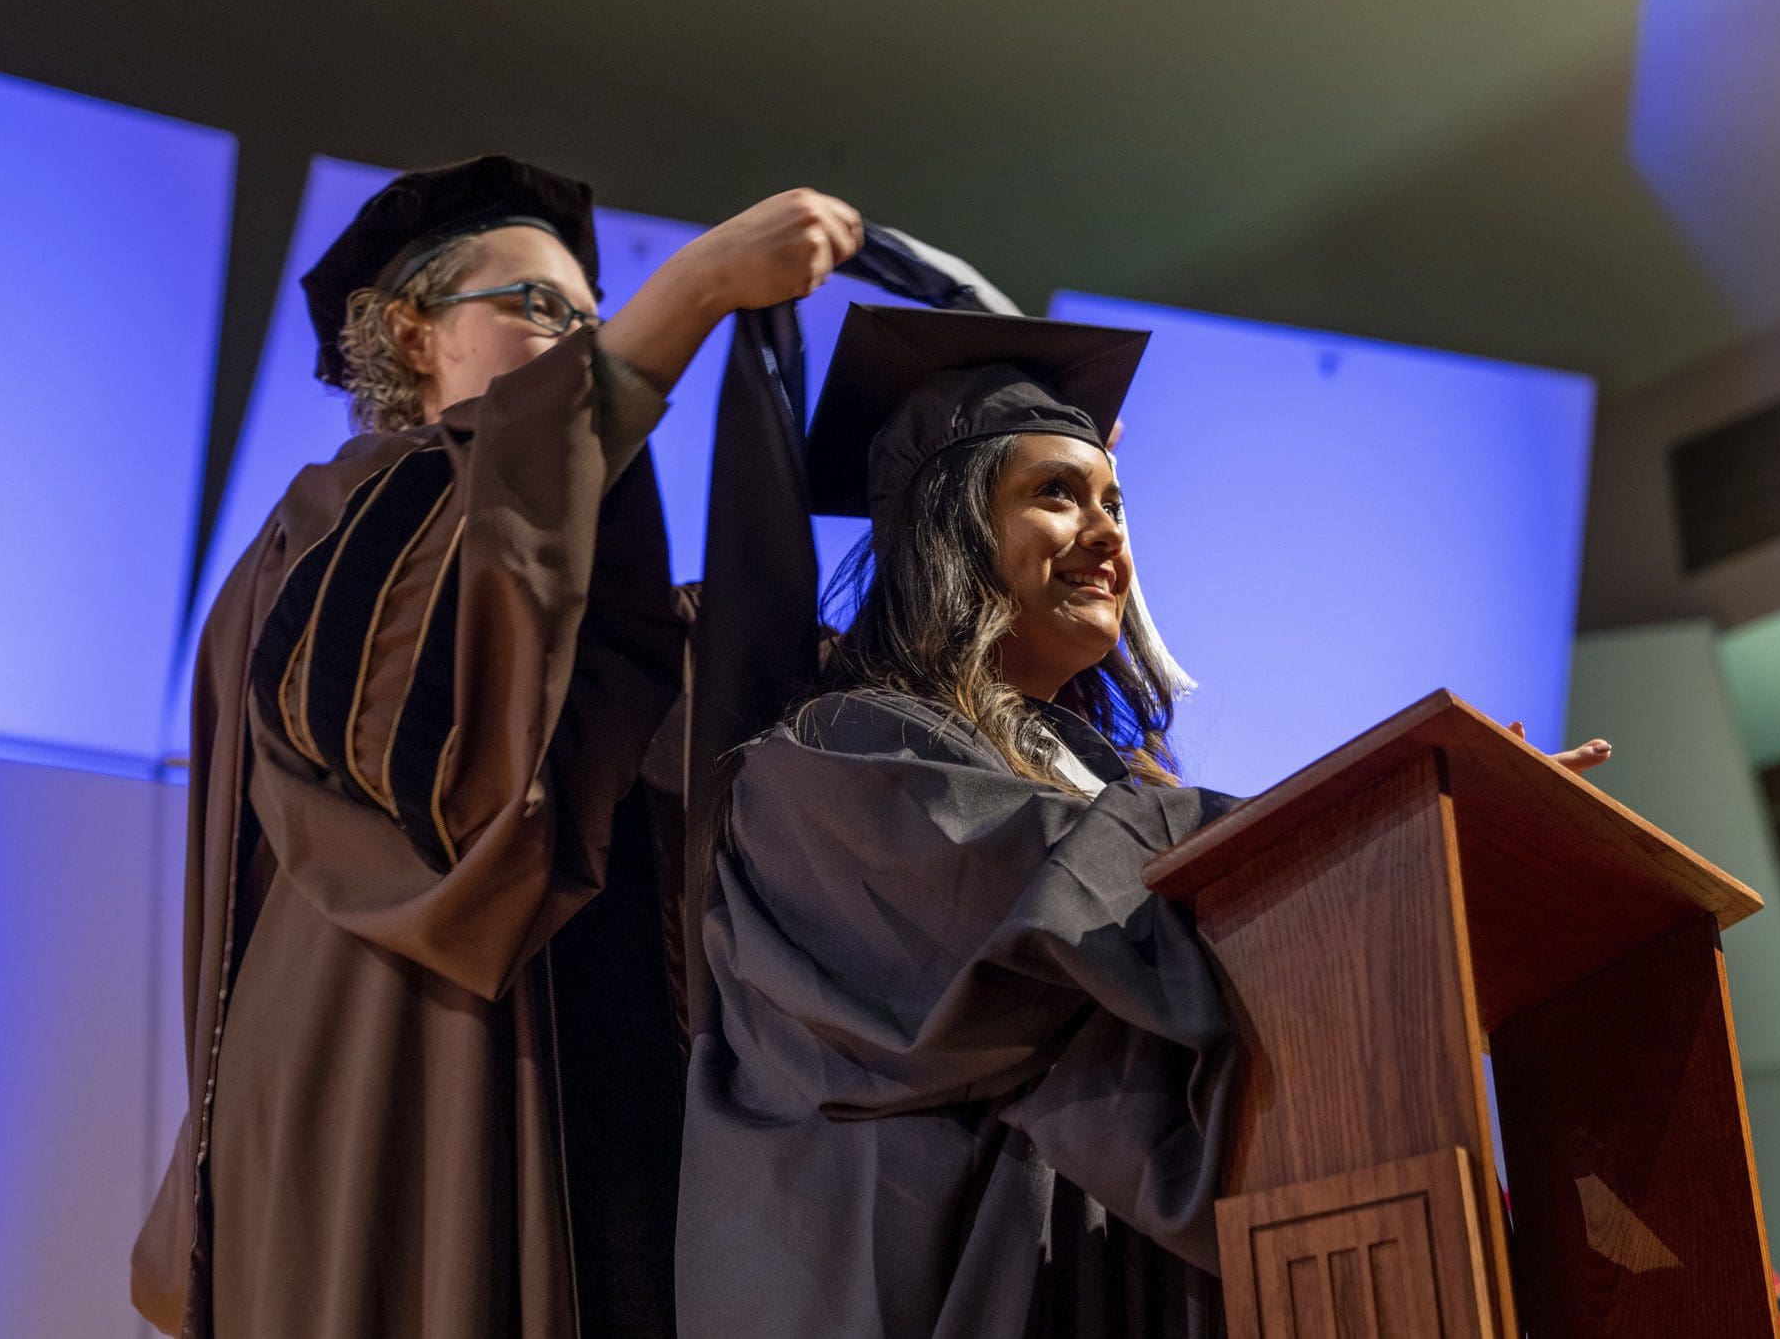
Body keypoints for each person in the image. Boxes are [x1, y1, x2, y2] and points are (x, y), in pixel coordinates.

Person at [673, 304, 1611, 1337]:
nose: (1107, 532)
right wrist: (1378, 815)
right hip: (921, 1279)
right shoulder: (830, 760)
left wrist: (1417, 836)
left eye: (1114, 500)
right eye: (1055, 494)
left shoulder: (1093, 768)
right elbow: (1045, 903)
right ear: (946, 527)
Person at [131, 154, 863, 1339]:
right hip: (404, 1059)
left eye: (589, 315)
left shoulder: (594, 603)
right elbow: (444, 761)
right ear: (413, 335)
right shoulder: (345, 520)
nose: (575, 335)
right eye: (535, 305)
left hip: (603, 1076)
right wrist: (685, 294)